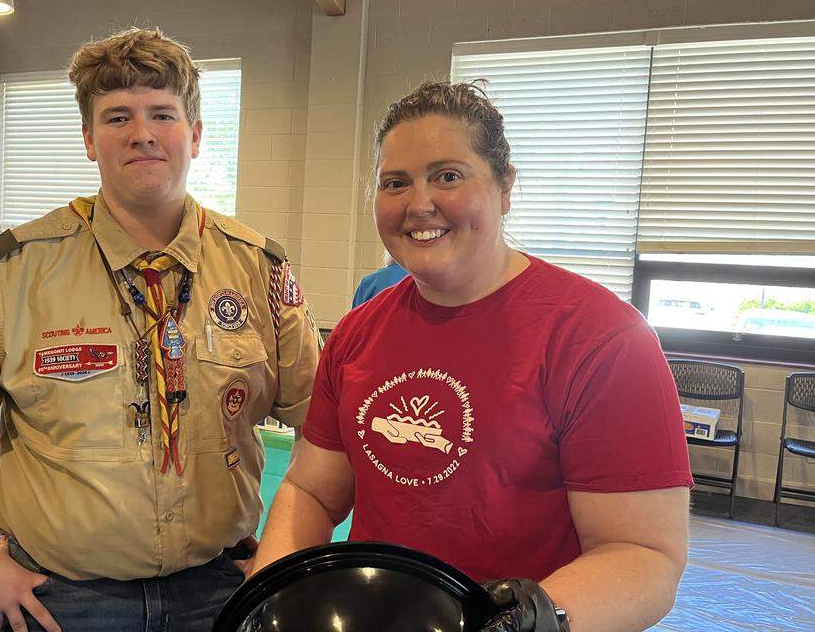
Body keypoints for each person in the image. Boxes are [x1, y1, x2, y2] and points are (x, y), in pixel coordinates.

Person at [0, 27, 321, 632]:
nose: (142, 134)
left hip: (220, 592)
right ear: (88, 139)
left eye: (163, 113)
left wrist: (285, 553)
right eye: (116, 117)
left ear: (196, 134)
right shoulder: (16, 270)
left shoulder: (258, 269)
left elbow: (326, 426)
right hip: (62, 602)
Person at [251, 81, 693, 632]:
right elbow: (311, 489)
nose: (419, 204)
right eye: (395, 183)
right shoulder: (356, 334)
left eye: (448, 176)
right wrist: (263, 597)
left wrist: (527, 620)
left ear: (505, 187)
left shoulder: (601, 338)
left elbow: (644, 554)